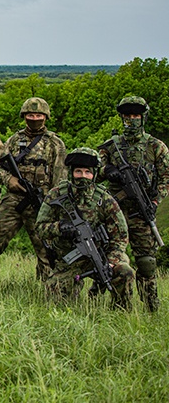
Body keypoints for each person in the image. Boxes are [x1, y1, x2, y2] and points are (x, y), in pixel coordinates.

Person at [36, 147, 135, 309]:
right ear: (71, 173)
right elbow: (40, 227)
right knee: (55, 297)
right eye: (78, 172)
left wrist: (111, 262)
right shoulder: (57, 194)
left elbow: (121, 236)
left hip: (101, 255)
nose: (83, 176)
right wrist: (60, 228)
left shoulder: (104, 199)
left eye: (87, 172)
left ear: (94, 174)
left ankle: (120, 312)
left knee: (125, 272)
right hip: (69, 258)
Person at [98, 96, 169, 312]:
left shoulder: (156, 147)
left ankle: (151, 308)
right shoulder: (111, 146)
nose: (131, 119)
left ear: (143, 117)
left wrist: (156, 201)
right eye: (127, 115)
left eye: (136, 115)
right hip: (113, 212)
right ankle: (116, 304)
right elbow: (92, 171)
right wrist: (108, 171)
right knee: (107, 258)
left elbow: (166, 179)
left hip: (141, 211)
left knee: (147, 262)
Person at [0, 97, 66, 281]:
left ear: (45, 117)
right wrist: (9, 180)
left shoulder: (55, 144)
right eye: (30, 115)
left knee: (47, 251)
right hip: (14, 200)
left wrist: (53, 207)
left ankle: (46, 291)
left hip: (42, 202)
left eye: (38, 115)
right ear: (24, 116)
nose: (34, 118)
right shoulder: (14, 140)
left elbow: (60, 179)